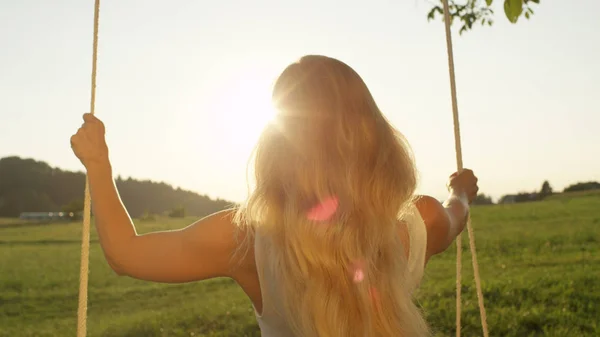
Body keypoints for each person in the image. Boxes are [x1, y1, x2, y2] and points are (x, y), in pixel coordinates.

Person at [70, 55, 479, 337]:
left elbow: (125, 254)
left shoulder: (248, 242)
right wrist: (461, 191)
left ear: (277, 150)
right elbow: (454, 214)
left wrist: (99, 164)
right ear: (379, 140)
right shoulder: (419, 223)